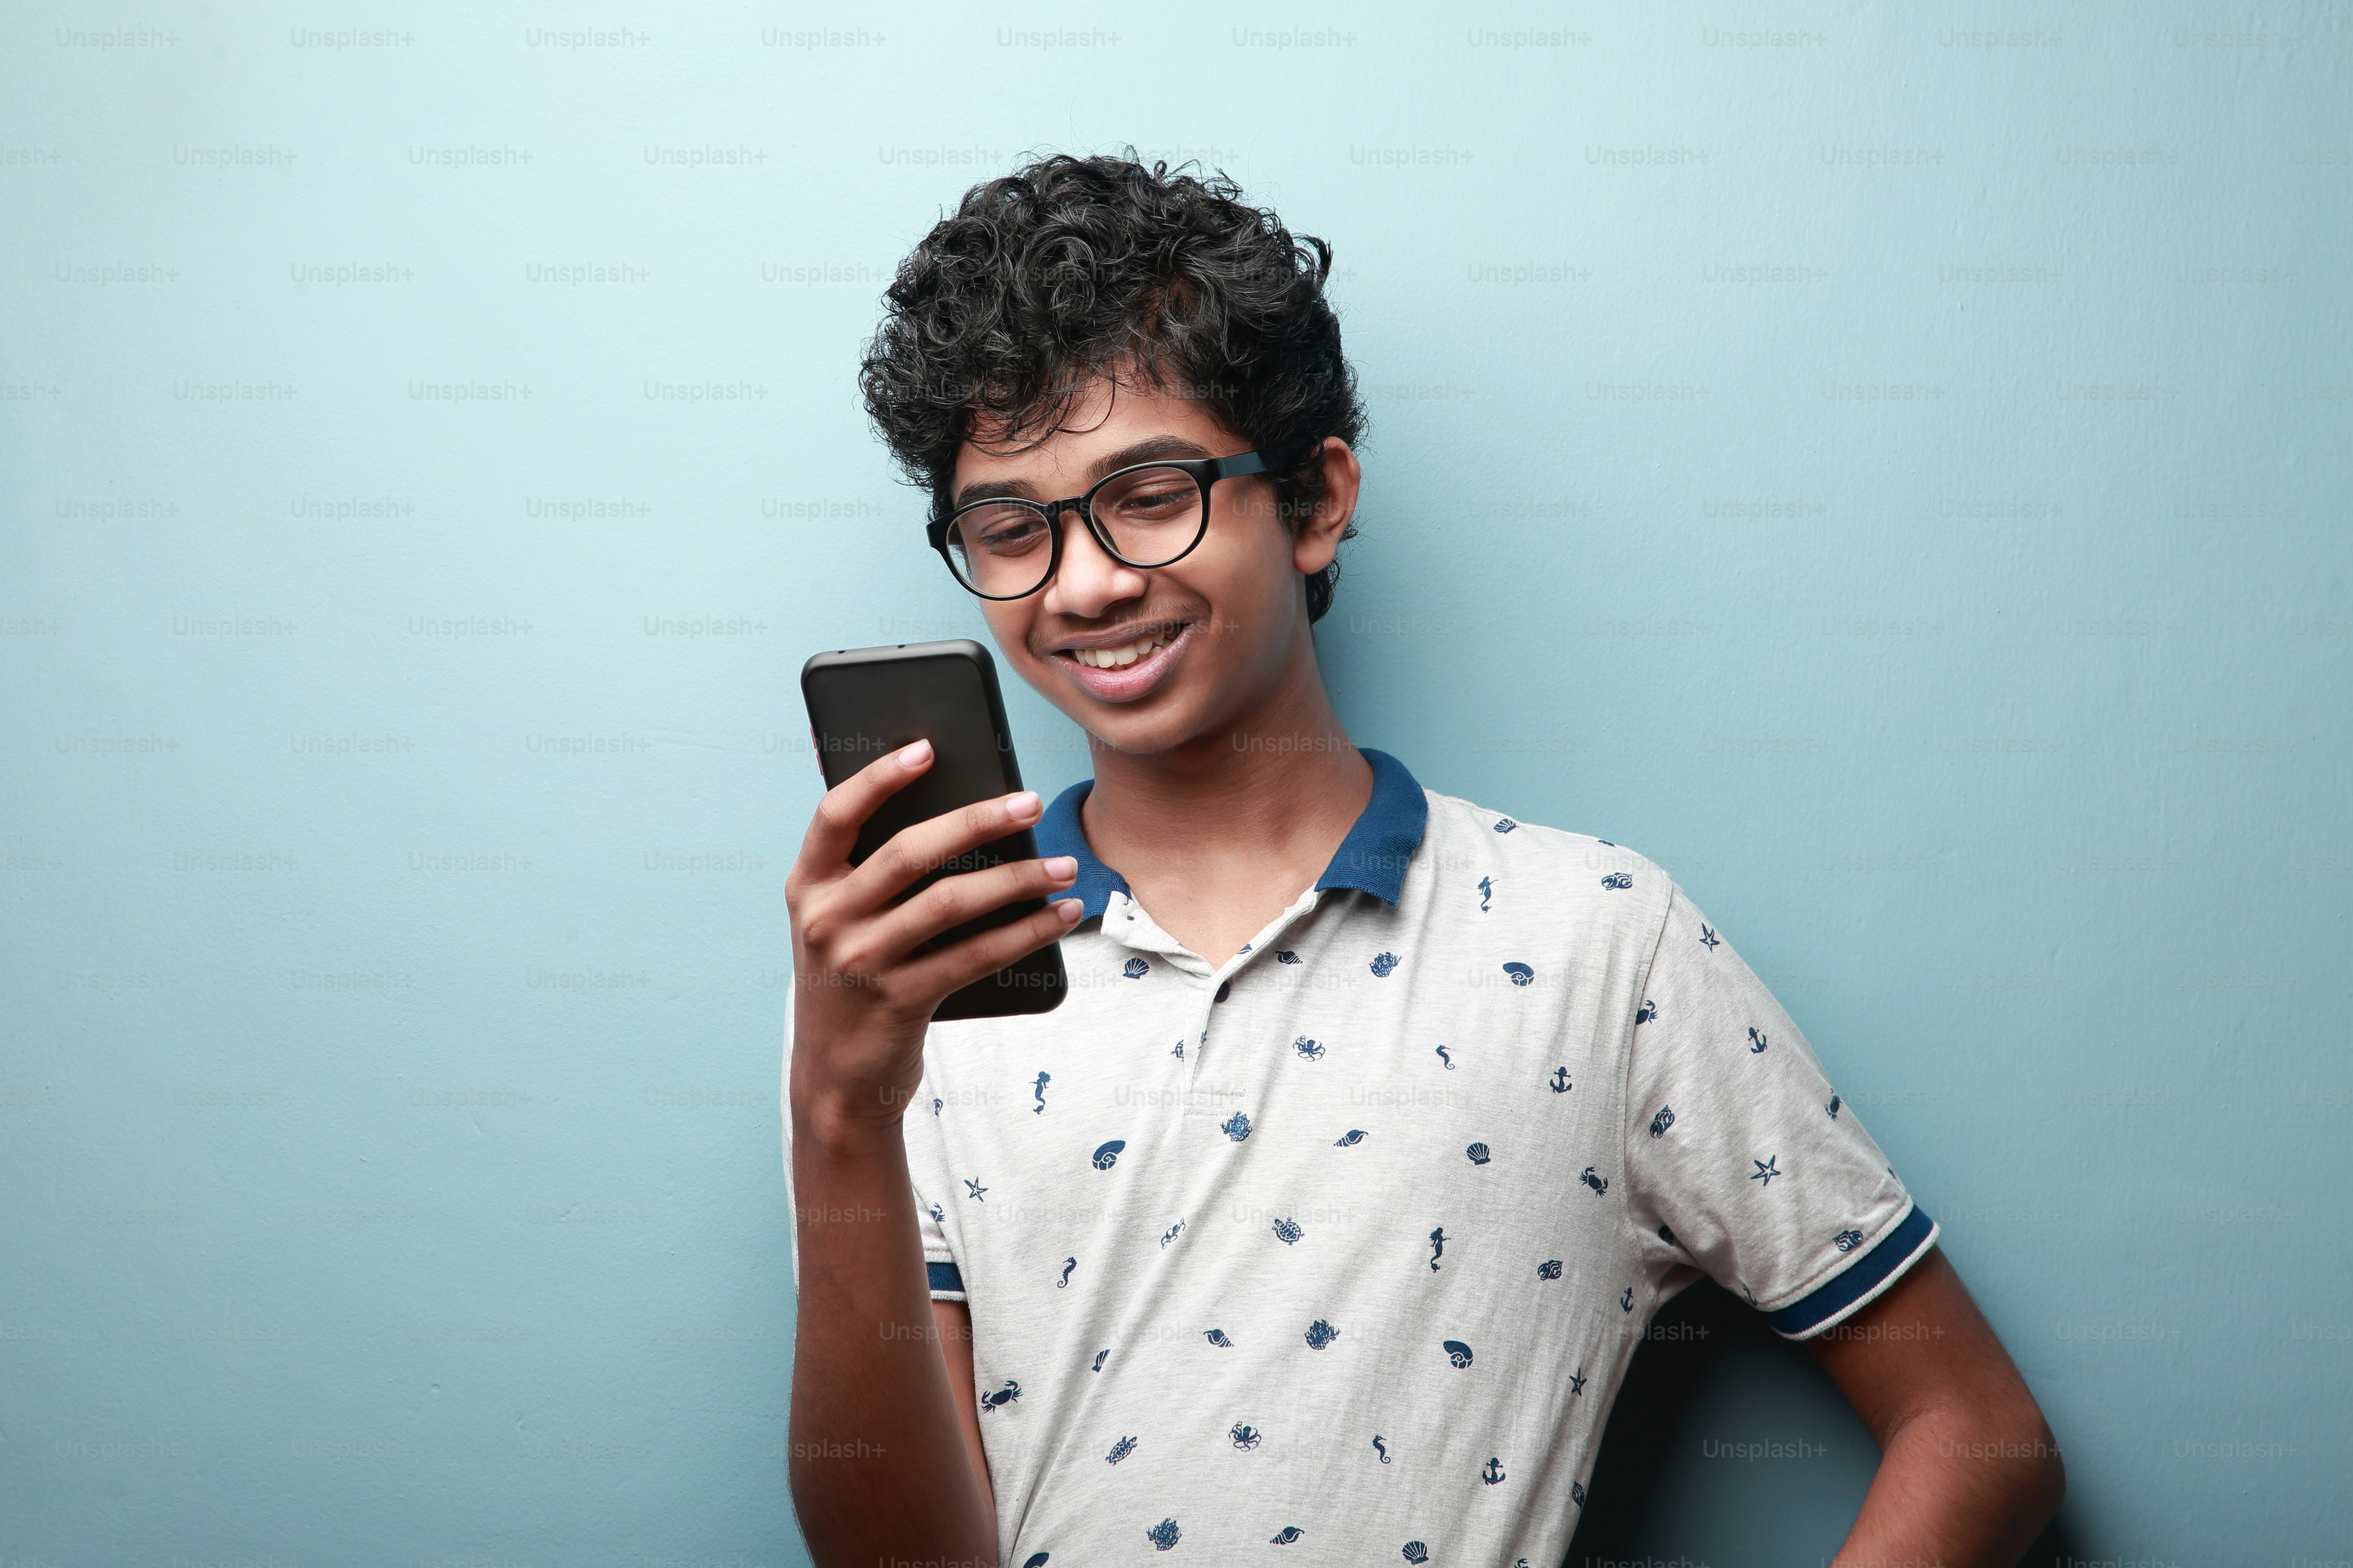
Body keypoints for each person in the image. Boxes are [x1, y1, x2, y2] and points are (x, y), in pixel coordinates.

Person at [782, 151, 2061, 1567]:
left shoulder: (1597, 943)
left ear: (1316, 501)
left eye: (1148, 494)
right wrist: (838, 1105)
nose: (1081, 582)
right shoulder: (917, 987)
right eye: (1009, 526)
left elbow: (1978, 1433)